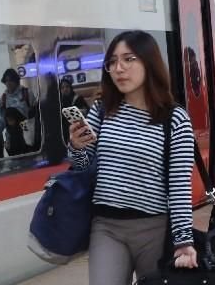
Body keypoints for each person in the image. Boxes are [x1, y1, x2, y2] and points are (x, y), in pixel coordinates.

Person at [68, 30, 197, 283]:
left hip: (154, 229)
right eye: (113, 62)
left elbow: (180, 185)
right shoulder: (102, 110)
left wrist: (183, 241)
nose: (119, 68)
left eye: (129, 59)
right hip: (106, 227)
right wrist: (76, 147)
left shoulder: (174, 119)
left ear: (149, 63)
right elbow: (83, 166)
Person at [0, 68, 36, 154]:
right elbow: (3, 121)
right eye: (6, 80)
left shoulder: (26, 93)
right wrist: (7, 141)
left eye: (11, 80)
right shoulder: (3, 98)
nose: (8, 83)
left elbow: (35, 114)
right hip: (13, 139)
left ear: (16, 80)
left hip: (27, 136)